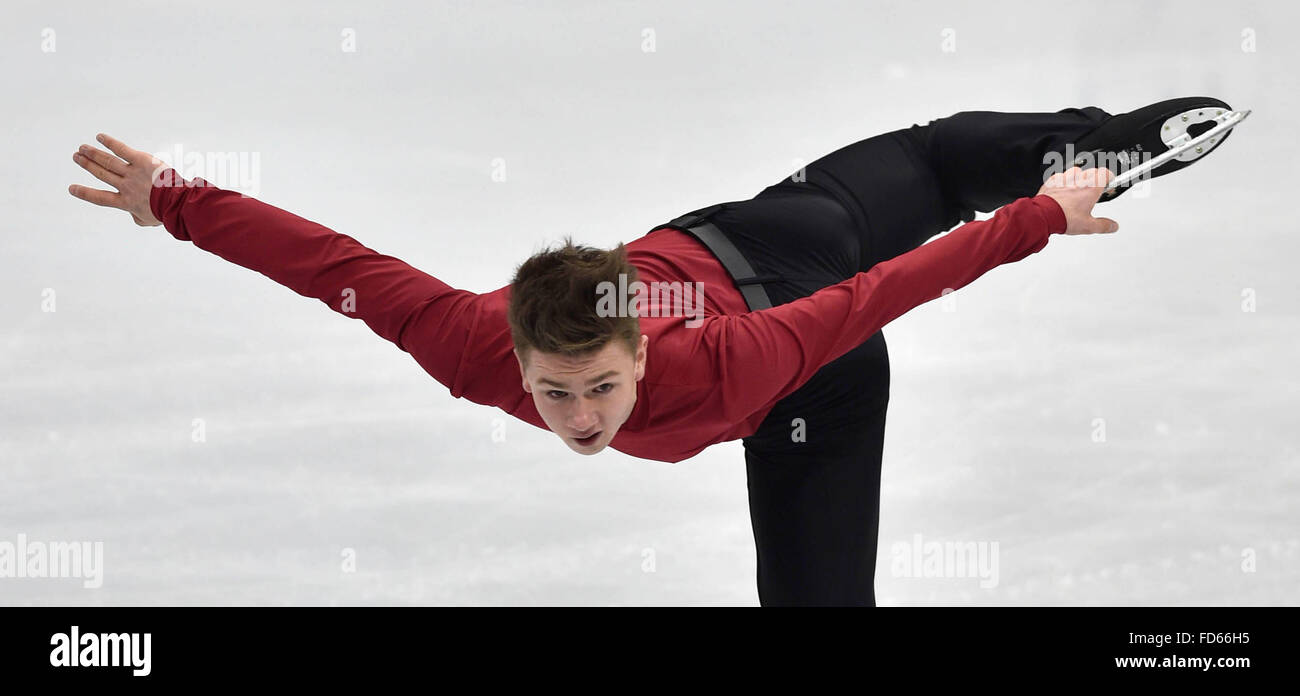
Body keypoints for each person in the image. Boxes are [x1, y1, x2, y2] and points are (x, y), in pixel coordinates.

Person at [68, 96, 1239, 606]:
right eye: (555, 391)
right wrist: (172, 198)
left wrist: (1044, 215)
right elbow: (331, 262)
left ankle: (1102, 147)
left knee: (934, 167)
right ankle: (1071, 158)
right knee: (922, 172)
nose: (578, 415)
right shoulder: (473, 340)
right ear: (514, 358)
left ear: (638, 353)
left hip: (801, 320)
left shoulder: (723, 367)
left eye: (599, 388)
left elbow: (893, 285)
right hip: (716, 250)